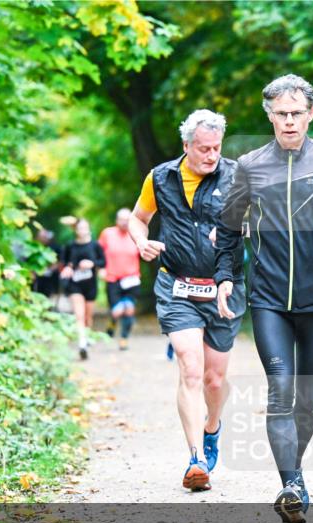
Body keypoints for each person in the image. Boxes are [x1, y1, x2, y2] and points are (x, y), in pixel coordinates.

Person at [215, 74, 313, 523]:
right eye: (280, 113)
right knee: (281, 390)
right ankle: (289, 483)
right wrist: (226, 276)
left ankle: (297, 473)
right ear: (269, 115)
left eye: (296, 113)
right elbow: (229, 227)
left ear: (311, 113)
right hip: (268, 297)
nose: (288, 121)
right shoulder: (249, 164)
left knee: (309, 400)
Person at [127, 109, 246, 492]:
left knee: (215, 378)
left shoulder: (237, 176)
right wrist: (141, 241)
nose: (211, 156)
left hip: (223, 288)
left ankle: (212, 428)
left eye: (216, 148)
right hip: (176, 285)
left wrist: (235, 233)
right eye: (202, 149)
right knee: (190, 368)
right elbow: (138, 217)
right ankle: (196, 458)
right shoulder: (160, 177)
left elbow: (258, 224)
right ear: (186, 146)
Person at [60, 217, 105, 360]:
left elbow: (103, 262)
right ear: (76, 230)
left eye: (85, 228)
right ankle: (82, 344)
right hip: (75, 284)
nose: (82, 230)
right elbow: (65, 263)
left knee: (87, 317)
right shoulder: (70, 246)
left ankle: (86, 338)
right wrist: (67, 268)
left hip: (90, 285)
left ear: (88, 229)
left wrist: (92, 264)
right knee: (79, 315)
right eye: (80, 228)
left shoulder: (95, 246)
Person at [99, 207, 142, 350]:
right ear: (117, 220)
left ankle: (124, 338)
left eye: (127, 219)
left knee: (129, 309)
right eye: (121, 219)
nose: (124, 222)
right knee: (117, 311)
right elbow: (98, 253)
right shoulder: (107, 234)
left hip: (131, 279)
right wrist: (101, 269)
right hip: (113, 279)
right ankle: (112, 323)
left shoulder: (135, 234)